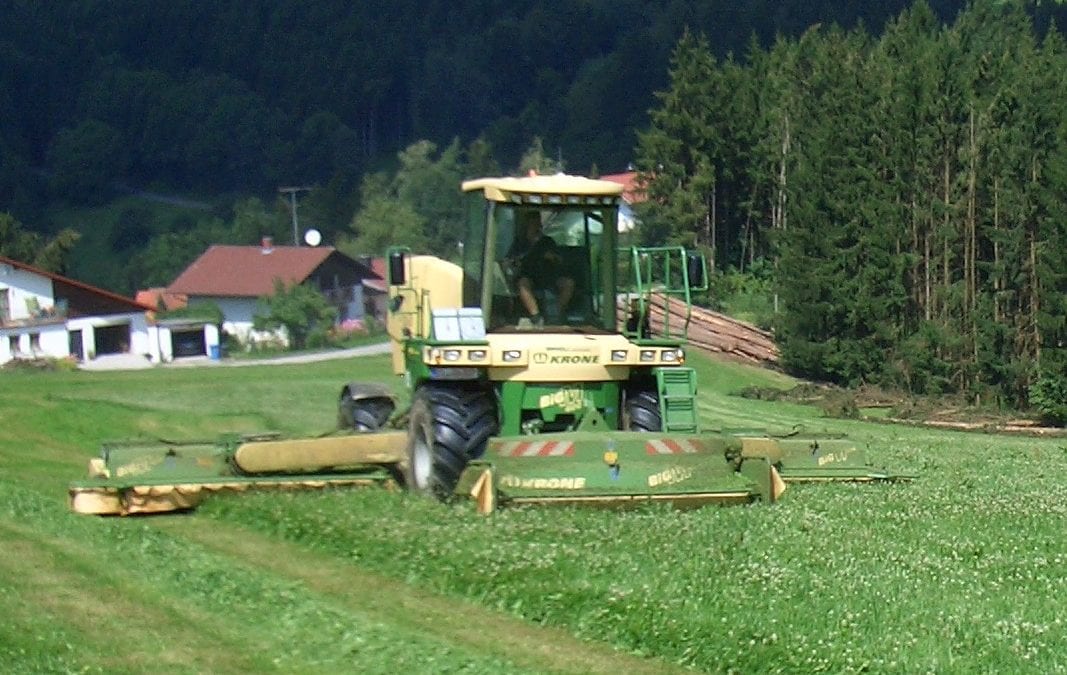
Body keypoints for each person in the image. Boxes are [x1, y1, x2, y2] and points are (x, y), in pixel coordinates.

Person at [507, 210, 574, 325]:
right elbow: (510, 260)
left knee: (568, 283)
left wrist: (552, 257)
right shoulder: (520, 243)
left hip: (549, 276)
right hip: (529, 276)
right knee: (523, 284)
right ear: (527, 225)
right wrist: (516, 262)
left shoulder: (547, 241)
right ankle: (536, 316)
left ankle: (556, 314)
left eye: (538, 224)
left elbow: (560, 260)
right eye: (533, 224)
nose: (536, 227)